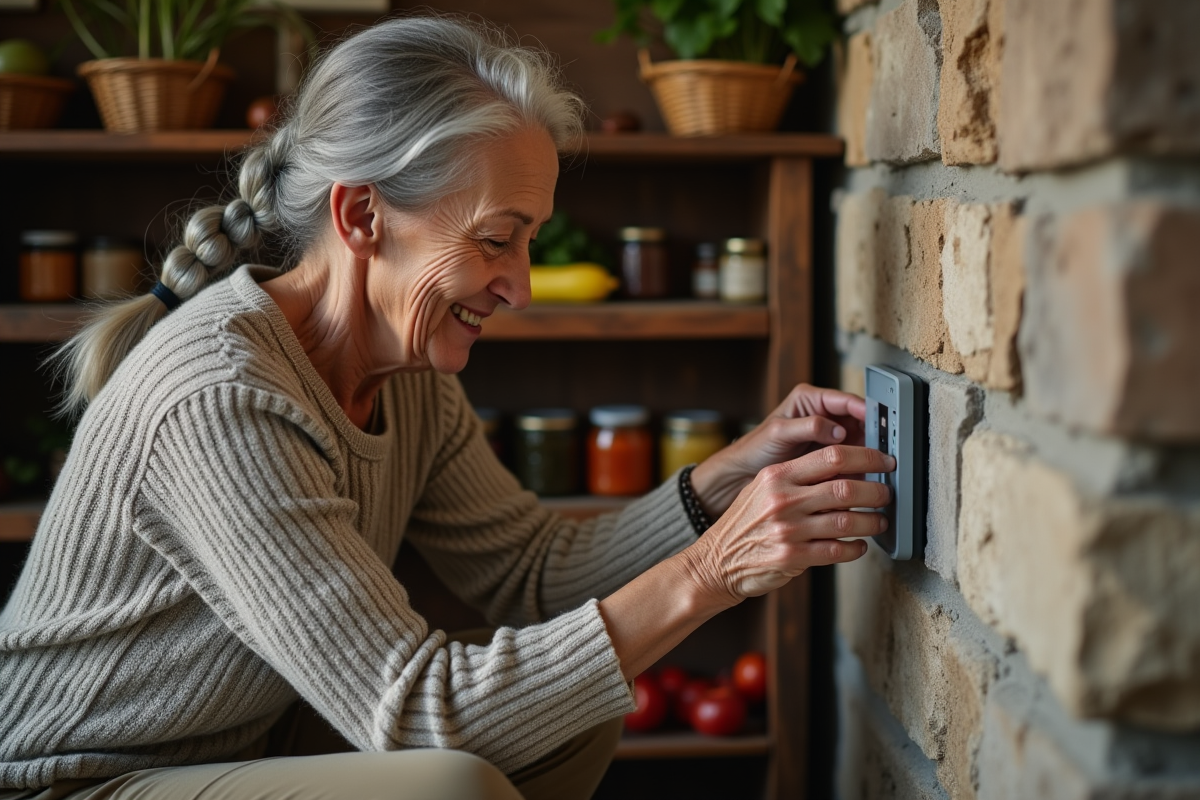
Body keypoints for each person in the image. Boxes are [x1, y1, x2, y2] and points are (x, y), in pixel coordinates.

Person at [0, 15, 893, 800]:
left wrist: (726, 480)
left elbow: (531, 575)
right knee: (452, 783)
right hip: (81, 783)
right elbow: (424, 716)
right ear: (362, 218)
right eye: (496, 240)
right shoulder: (223, 397)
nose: (522, 287)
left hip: (233, 748)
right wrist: (710, 574)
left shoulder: (406, 372)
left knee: (567, 708)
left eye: (528, 242)